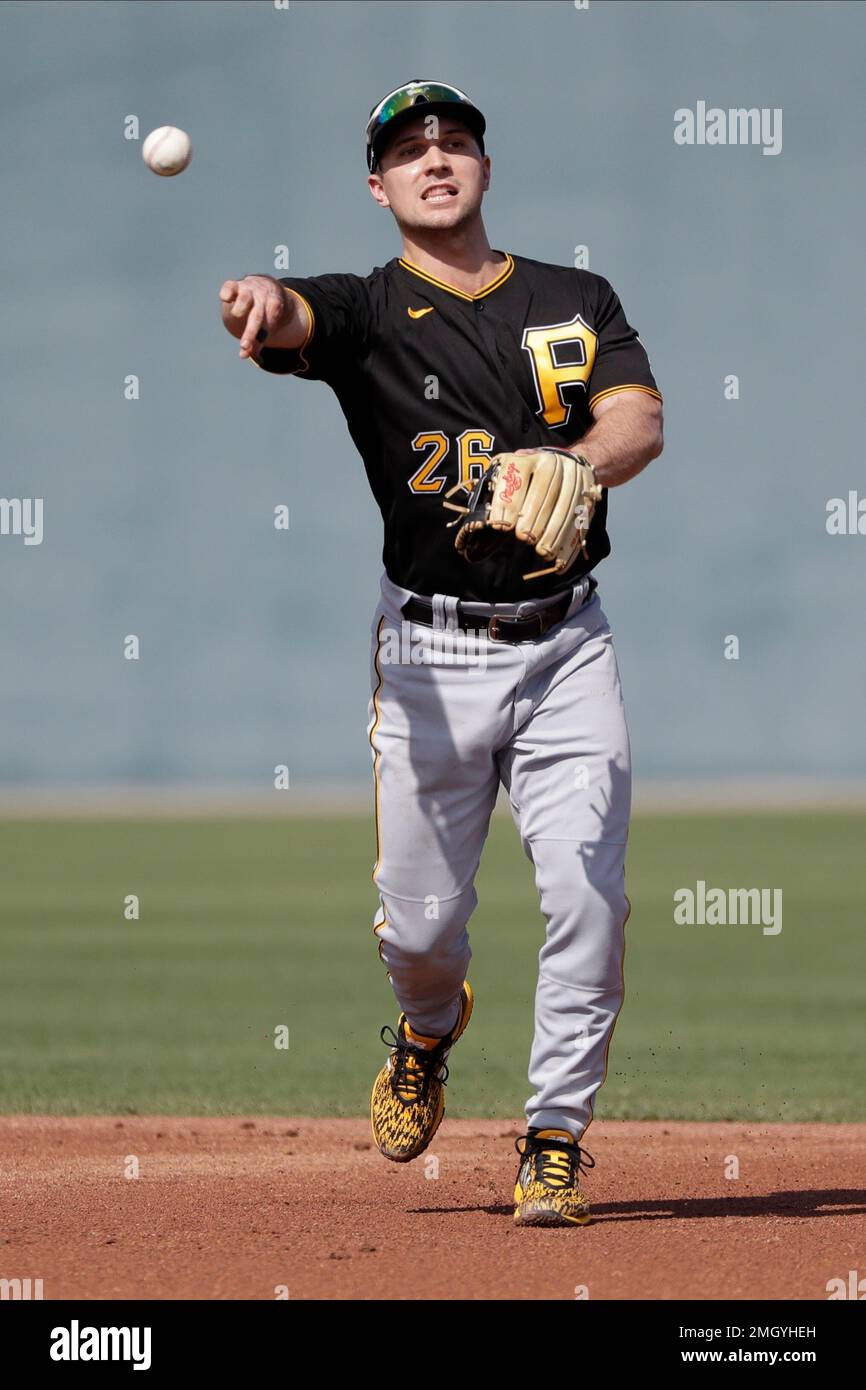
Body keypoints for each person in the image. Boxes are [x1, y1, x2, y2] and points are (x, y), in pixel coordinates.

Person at [220, 79, 663, 1227]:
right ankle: (426, 1030)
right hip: (428, 653)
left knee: (588, 898)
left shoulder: (573, 296)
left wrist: (583, 464)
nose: (433, 156)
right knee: (418, 929)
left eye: (452, 140)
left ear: (480, 166)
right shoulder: (366, 310)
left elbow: (637, 418)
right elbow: (295, 313)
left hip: (566, 642)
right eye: (407, 148)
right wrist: (261, 300)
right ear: (378, 186)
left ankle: (553, 1138)